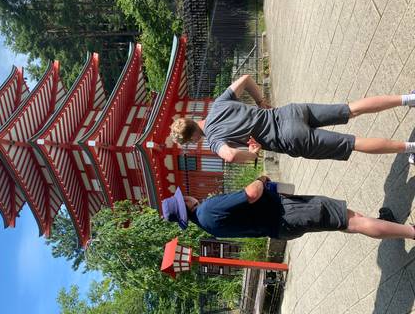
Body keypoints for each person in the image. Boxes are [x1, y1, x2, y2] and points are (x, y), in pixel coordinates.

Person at [169, 74, 415, 164]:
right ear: (192, 120)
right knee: (350, 108)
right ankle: (408, 98)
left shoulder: (213, 140)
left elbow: (231, 155)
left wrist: (252, 154)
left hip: (290, 137)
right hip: (290, 112)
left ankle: (410, 148)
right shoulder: (219, 105)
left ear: (192, 138)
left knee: (352, 142)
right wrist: (260, 102)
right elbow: (245, 78)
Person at [161, 178, 415, 241]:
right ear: (185, 205)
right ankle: (410, 231)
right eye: (183, 197)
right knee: (352, 221)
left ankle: (390, 226)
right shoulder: (208, 209)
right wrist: (260, 180)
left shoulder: (207, 226)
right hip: (287, 211)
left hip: (280, 228)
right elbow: (251, 193)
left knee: (341, 221)